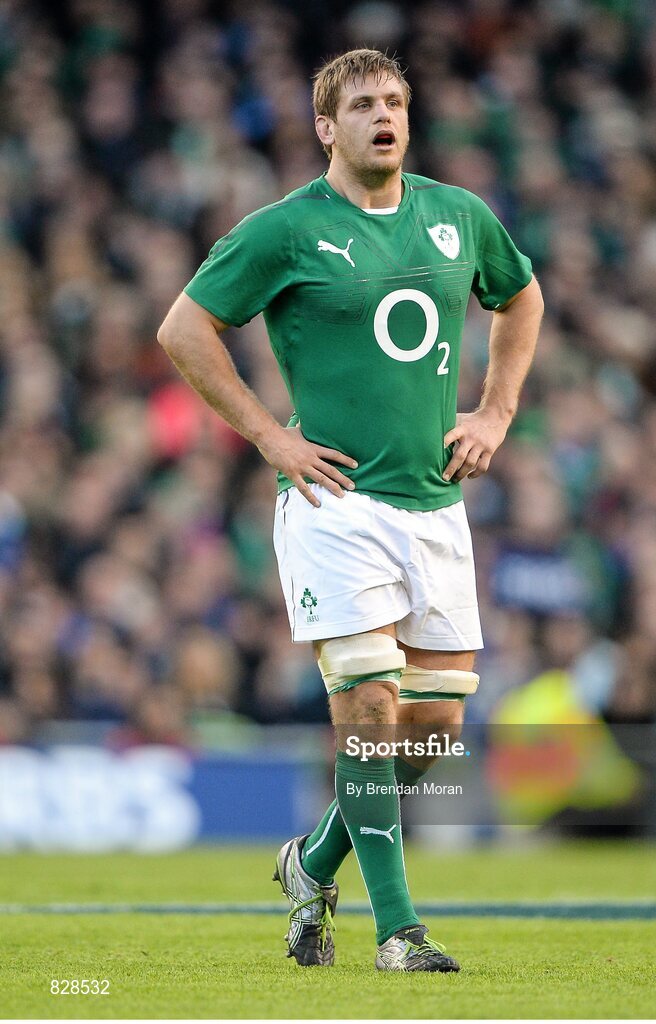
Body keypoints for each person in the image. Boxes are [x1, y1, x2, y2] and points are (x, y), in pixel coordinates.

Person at [157, 48, 543, 973]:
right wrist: (270, 439)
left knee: (431, 733)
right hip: (337, 502)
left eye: (397, 101)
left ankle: (312, 861)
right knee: (370, 708)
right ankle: (399, 934)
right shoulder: (286, 230)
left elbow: (521, 297)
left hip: (435, 506)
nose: (386, 115)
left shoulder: (459, 217)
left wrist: (495, 410)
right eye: (365, 103)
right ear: (326, 127)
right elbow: (183, 329)